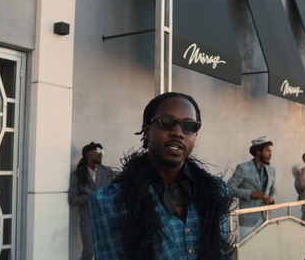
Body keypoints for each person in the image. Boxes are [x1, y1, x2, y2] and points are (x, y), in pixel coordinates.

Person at [89, 92, 232, 260]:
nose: (178, 133)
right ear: (147, 131)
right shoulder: (109, 201)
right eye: (167, 122)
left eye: (190, 126)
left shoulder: (215, 193)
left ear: (195, 136)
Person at [68, 142, 114, 260]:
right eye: (96, 152)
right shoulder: (78, 174)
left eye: (101, 152)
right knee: (89, 251)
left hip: (106, 217)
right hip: (88, 219)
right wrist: (91, 197)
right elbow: (72, 200)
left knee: (107, 251)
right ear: (87, 154)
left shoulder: (108, 172)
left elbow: (114, 192)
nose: (100, 155)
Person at [227, 136, 277, 238]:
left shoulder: (272, 170)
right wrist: (250, 193)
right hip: (247, 222)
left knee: (263, 250)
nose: (270, 154)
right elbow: (229, 188)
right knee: (247, 251)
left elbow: (274, 191)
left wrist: (272, 199)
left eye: (271, 151)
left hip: (266, 218)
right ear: (258, 152)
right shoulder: (243, 168)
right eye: (267, 151)